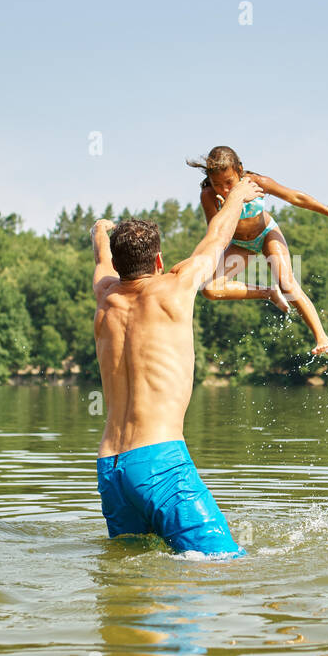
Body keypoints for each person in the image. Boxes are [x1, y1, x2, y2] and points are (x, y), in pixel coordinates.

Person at [90, 174, 263, 559]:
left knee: (130, 569)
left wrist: (99, 231)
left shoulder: (105, 297)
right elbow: (217, 239)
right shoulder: (176, 287)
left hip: (111, 469)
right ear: (158, 260)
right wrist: (237, 196)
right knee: (224, 564)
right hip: (160, 464)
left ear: (118, 265)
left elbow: (101, 258)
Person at [187, 144, 328, 356]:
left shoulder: (256, 183)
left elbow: (296, 197)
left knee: (287, 282)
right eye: (217, 184)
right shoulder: (209, 196)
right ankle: (269, 293)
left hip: (266, 234)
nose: (225, 189)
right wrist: (231, 205)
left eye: (229, 182)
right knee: (210, 289)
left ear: (239, 170)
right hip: (239, 244)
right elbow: (217, 234)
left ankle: (322, 337)